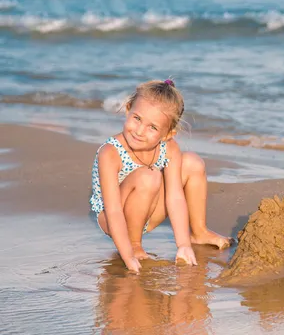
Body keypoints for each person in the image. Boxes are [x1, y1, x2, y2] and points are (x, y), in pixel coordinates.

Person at [90, 79, 231, 273]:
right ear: (128, 109)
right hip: (113, 218)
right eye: (137, 118)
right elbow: (113, 210)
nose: (139, 131)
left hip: (149, 207)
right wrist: (129, 255)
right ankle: (134, 242)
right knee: (149, 176)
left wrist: (183, 245)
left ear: (167, 134)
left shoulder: (169, 147)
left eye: (152, 127)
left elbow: (174, 197)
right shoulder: (110, 152)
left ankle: (198, 232)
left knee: (192, 162)